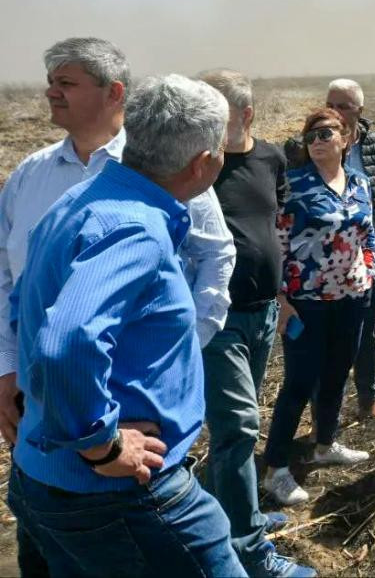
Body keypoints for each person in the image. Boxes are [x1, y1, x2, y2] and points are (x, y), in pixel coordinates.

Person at [0, 39, 240, 574]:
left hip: (44, 477)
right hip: (122, 497)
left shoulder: (83, 199)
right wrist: (102, 446)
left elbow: (25, 304)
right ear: (202, 163)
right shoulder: (135, 228)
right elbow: (67, 341)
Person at [199, 71, 314, 576]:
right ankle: (246, 547)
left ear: (245, 115)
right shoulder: (197, 164)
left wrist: (284, 295)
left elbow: (276, 228)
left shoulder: (270, 158)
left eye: (217, 114)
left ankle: (237, 513)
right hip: (216, 318)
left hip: (264, 311)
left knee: (240, 424)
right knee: (238, 426)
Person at [262, 108, 375, 507]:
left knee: (336, 375)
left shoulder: (360, 181)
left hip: (352, 299)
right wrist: (280, 300)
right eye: (310, 135)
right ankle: (276, 469)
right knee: (298, 383)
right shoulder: (291, 187)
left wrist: (371, 270)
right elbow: (275, 246)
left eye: (326, 133)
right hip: (306, 302)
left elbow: (368, 235)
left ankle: (324, 444)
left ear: (346, 138)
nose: (316, 141)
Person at [286, 79, 375, 421]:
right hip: (318, 267)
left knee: (367, 333)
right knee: (320, 344)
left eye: (343, 106)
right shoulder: (301, 147)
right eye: (330, 104)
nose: (335, 112)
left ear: (359, 112)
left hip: (364, 260)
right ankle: (322, 416)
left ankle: (369, 400)